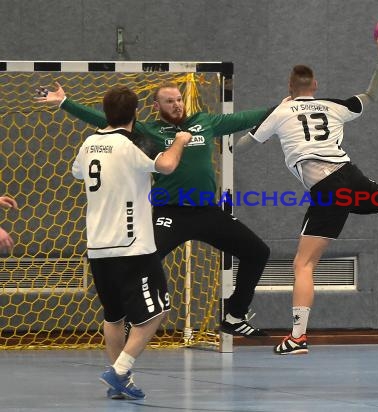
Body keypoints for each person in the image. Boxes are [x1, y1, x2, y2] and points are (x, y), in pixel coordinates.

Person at [234, 34, 378, 355]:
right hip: (351, 175)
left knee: (304, 264)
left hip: (328, 188)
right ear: (316, 85)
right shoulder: (334, 106)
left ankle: (297, 337)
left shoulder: (280, 112)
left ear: (289, 87)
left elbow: (242, 146)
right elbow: (372, 95)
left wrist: (238, 136)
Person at [36, 81, 273, 337]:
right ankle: (131, 317)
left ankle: (234, 315)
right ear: (156, 106)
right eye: (170, 101)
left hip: (207, 212)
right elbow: (105, 119)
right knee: (142, 261)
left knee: (257, 252)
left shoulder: (204, 123)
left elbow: (243, 118)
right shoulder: (149, 131)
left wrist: (282, 108)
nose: (177, 104)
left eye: (179, 99)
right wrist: (64, 102)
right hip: (170, 214)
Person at [72, 85, 192, 400]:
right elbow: (166, 165)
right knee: (158, 311)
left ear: (105, 111)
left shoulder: (89, 144)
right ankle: (120, 369)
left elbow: (77, 174)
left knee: (114, 315)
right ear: (136, 113)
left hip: (98, 246)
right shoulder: (131, 144)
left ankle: (120, 382)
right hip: (132, 246)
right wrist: (179, 141)